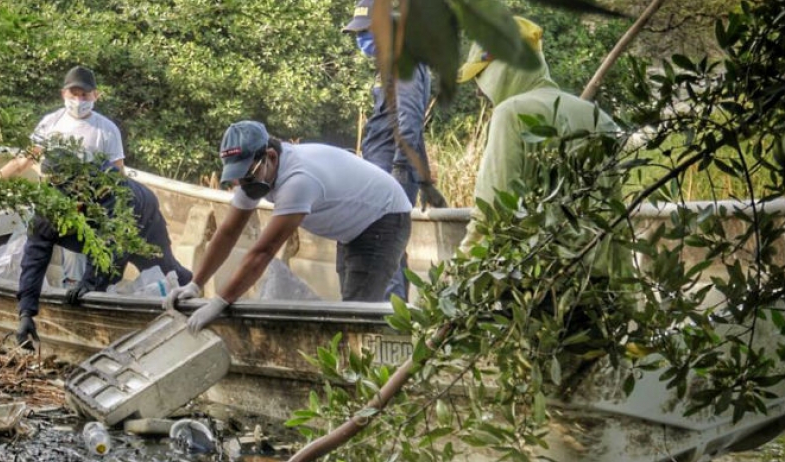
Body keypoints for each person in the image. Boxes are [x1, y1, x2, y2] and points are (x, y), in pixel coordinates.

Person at [164, 120, 412, 333]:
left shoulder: (298, 181)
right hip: (352, 223)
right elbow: (228, 232)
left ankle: (375, 377)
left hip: (384, 217)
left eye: (247, 176)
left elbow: (262, 252)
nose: (243, 184)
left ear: (270, 156)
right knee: (349, 306)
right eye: (238, 178)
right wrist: (195, 284)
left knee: (357, 312)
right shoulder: (258, 176)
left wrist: (219, 302)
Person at [456, 16, 619, 253]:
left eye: (481, 76)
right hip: (594, 275)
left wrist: (461, 268)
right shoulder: (600, 118)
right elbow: (615, 214)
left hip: (536, 276)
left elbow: (493, 207)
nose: (479, 92)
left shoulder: (510, 114)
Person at [14, 162, 192, 349]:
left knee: (165, 270)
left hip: (141, 220)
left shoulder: (109, 191)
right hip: (94, 233)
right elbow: (34, 259)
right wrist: (26, 312)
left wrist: (90, 282)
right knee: (106, 284)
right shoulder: (45, 213)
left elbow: (111, 242)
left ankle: (191, 296)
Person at [0, 66, 126, 289]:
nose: (78, 100)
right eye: (73, 94)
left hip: (84, 206)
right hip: (49, 200)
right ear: (63, 94)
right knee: (22, 240)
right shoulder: (51, 123)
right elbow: (24, 159)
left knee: (75, 256)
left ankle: (72, 294)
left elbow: (118, 175)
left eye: (84, 94)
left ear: (96, 95)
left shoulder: (106, 130)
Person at [343, 0, 437, 301]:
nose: (363, 39)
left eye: (368, 31)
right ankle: (396, 315)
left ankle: (387, 322)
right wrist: (424, 180)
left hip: (389, 172)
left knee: (382, 247)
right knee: (390, 248)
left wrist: (398, 172)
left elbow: (409, 126)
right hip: (386, 169)